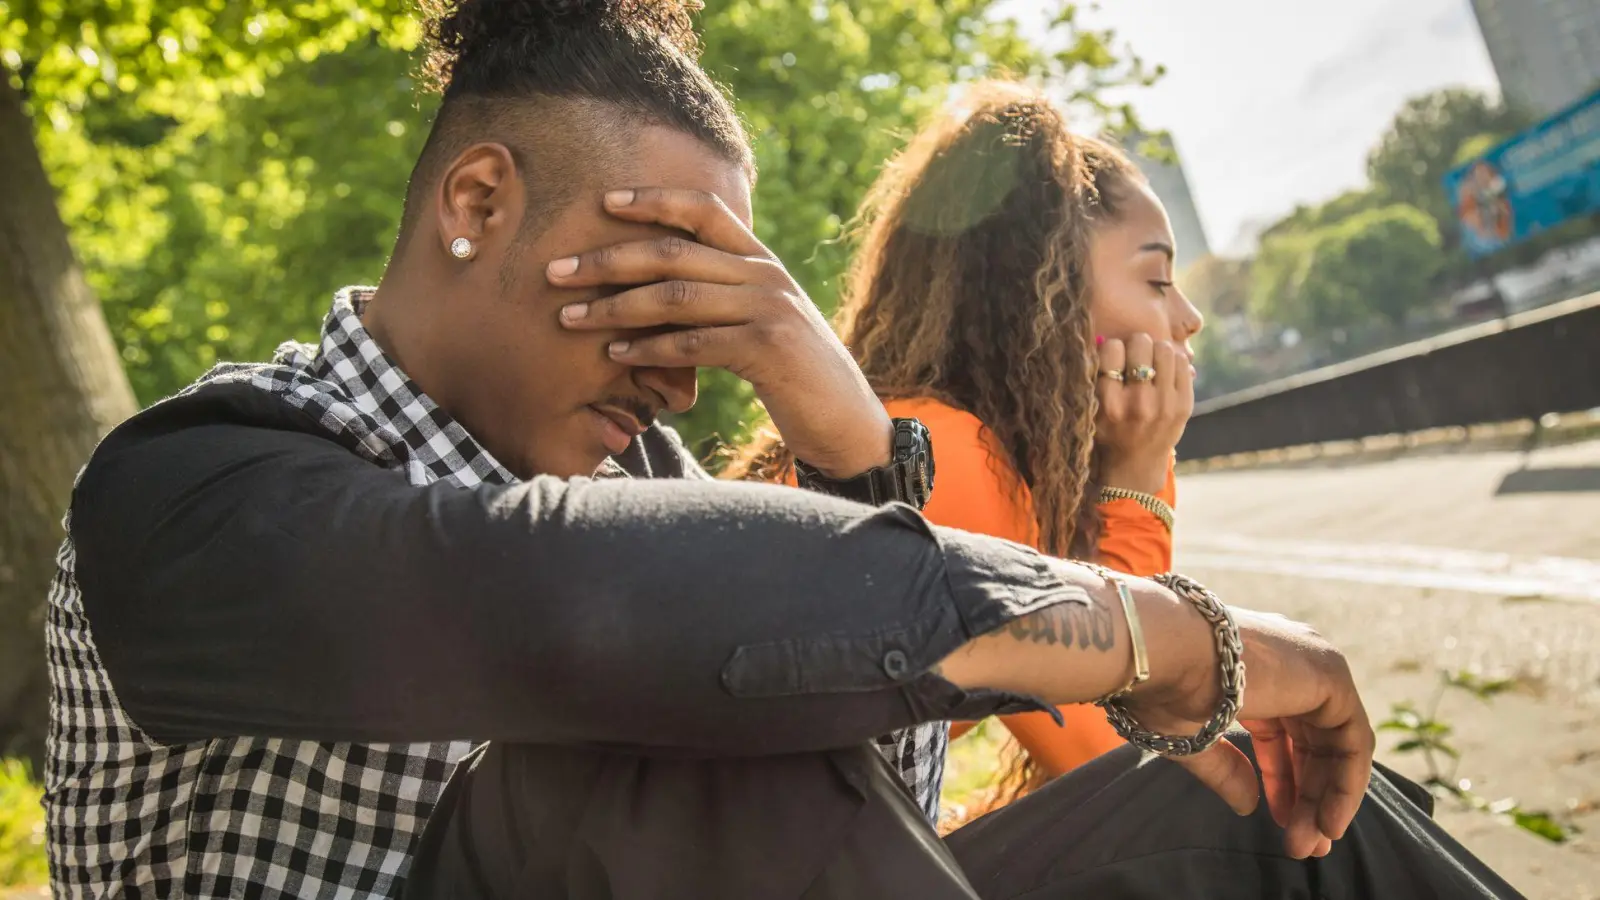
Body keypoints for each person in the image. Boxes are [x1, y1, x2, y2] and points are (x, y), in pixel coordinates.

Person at [41, 3, 1522, 899]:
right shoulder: (196, 487)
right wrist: (1173, 638)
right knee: (674, 738)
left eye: (727, 305)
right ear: (479, 203)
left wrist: (848, 442)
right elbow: (586, 614)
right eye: (656, 285)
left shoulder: (644, 487)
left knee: (1243, 806)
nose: (687, 366)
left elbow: (878, 812)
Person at [731, 82, 1197, 812]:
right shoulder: (950, 455)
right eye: (1158, 279)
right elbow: (1116, 761)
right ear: (1046, 292)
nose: (1188, 317)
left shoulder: (923, 430)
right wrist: (1139, 478)